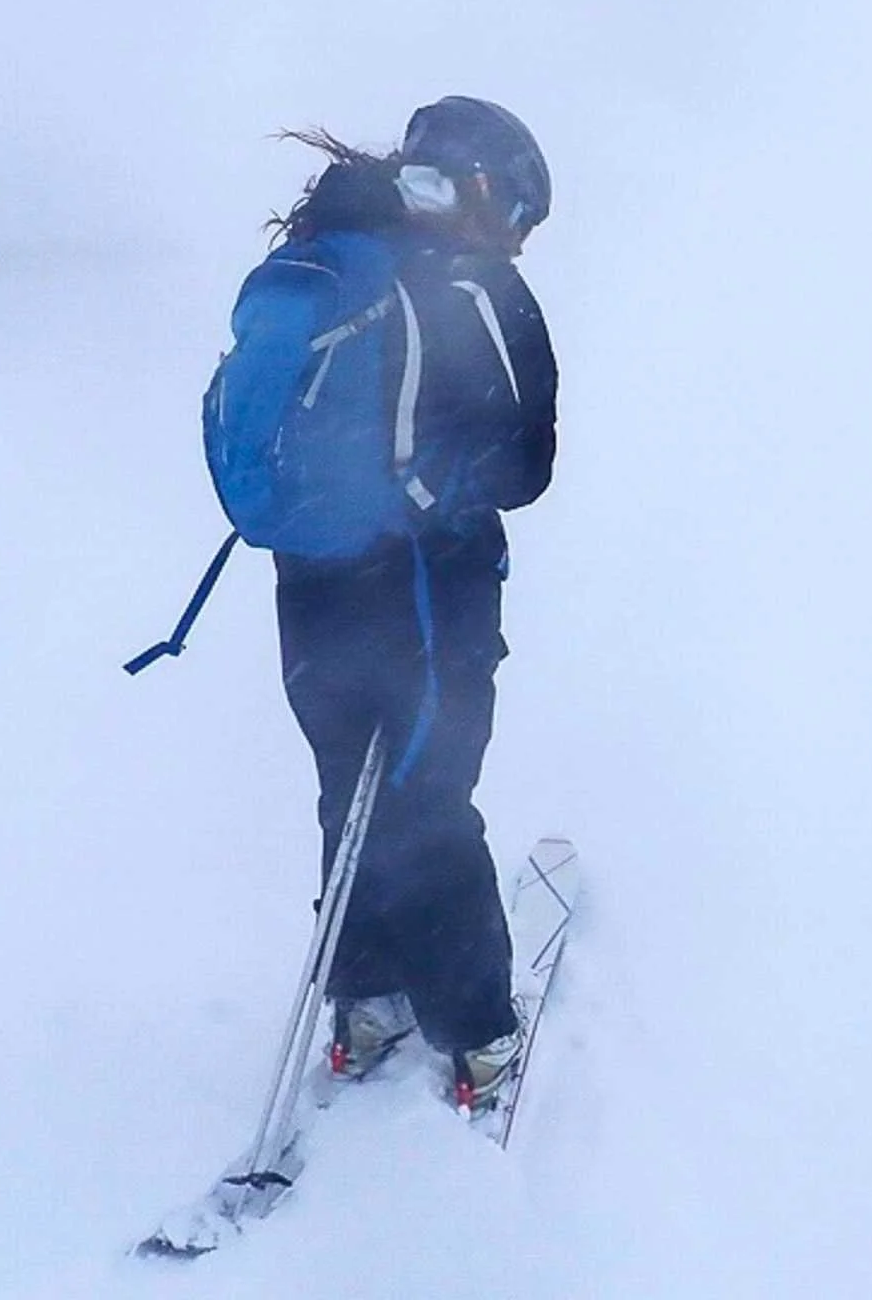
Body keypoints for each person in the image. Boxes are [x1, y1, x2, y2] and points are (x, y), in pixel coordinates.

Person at [266, 97, 558, 1115]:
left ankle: (366, 997)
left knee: (351, 786)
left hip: (310, 582)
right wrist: (438, 491)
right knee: (428, 797)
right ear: (483, 192)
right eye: (520, 211)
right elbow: (527, 464)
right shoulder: (474, 290)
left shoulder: (335, 258)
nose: (520, 238)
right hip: (427, 588)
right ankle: (476, 1033)